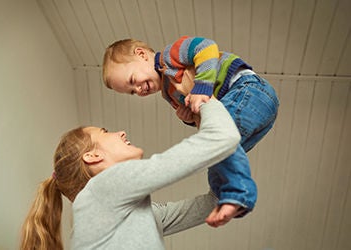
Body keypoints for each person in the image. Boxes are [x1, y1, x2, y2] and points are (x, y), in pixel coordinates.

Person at [102, 36, 280, 227]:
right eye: (131, 92)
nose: (138, 90)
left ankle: (239, 194)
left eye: (132, 80)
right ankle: (225, 198)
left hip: (247, 90)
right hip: (255, 113)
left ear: (141, 54)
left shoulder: (170, 57)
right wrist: (189, 116)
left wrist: (202, 86)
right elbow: (205, 114)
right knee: (215, 161)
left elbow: (206, 47)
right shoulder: (168, 94)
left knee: (214, 143)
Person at [20, 98, 240, 250]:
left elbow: (215, 201)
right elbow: (222, 138)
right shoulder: (103, 186)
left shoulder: (137, 211)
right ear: (93, 156)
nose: (121, 132)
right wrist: (206, 98)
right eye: (105, 132)